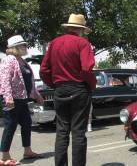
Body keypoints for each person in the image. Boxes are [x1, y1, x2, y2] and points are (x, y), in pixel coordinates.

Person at [40, 13, 96, 166]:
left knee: (62, 131)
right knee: (78, 132)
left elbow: (44, 70)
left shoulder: (54, 43)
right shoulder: (83, 43)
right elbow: (86, 70)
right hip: (79, 89)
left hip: (60, 89)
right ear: (81, 29)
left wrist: (54, 85)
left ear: (69, 27)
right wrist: (92, 85)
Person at [0, 35, 44, 165]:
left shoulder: (22, 61)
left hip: (22, 98)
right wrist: (8, 97)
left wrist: (37, 95)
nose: (26, 47)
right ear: (16, 47)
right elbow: (4, 80)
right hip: (11, 99)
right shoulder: (8, 60)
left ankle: (27, 151)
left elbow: (29, 81)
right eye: (23, 45)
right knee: (10, 125)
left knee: (26, 123)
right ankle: (4, 156)